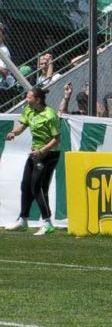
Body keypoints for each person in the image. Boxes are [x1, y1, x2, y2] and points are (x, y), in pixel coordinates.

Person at [2, 86, 60, 235]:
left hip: (49, 154)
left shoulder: (50, 115)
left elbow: (56, 139)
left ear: (38, 99)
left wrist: (42, 151)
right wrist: (13, 133)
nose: (26, 100)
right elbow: (23, 126)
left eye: (29, 97)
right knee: (25, 185)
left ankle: (47, 223)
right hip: (35, 153)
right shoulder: (29, 110)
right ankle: (23, 221)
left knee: (37, 187)